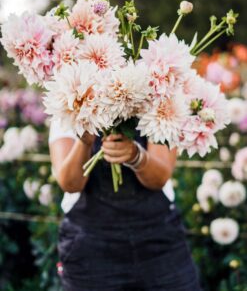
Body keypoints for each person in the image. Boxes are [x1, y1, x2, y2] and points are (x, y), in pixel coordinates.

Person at [49, 118, 201, 291]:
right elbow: (70, 184)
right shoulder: (68, 102)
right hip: (91, 248)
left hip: (158, 242)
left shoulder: (161, 102)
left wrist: (136, 156)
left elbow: (160, 177)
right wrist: (85, 142)